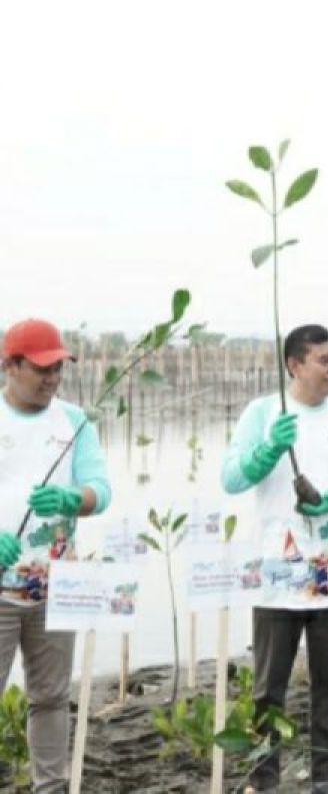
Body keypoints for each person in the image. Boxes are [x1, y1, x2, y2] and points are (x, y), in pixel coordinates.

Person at [222, 324, 328, 794]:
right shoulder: (262, 412)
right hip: (276, 574)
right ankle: (264, 778)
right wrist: (268, 449)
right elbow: (231, 477)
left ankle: (327, 775)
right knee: (269, 688)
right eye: (324, 361)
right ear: (294, 364)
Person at [0, 319, 111, 793]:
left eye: (58, 368)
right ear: (10, 365)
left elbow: (100, 491)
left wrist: (72, 499)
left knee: (50, 697)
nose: (52, 378)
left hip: (55, 585)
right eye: (41, 369)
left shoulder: (74, 420)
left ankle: (51, 787)